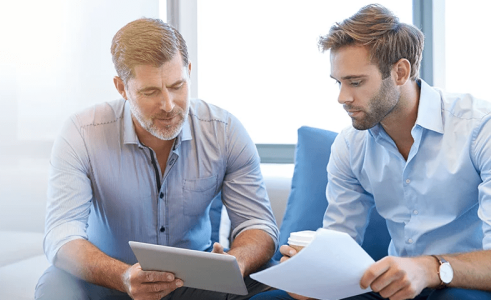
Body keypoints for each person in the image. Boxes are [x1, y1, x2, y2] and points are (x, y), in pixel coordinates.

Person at [251, 4, 491, 300]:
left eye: (355, 82)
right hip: (391, 287)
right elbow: (339, 243)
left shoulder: (480, 128)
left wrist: (429, 269)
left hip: (462, 283)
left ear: (400, 72)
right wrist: (312, 276)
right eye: (338, 82)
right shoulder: (350, 145)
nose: (342, 97)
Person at [35, 18, 279, 300]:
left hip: (197, 283)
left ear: (189, 72)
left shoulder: (224, 131)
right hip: (109, 279)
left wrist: (238, 261)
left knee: (276, 287)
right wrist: (123, 277)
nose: (168, 105)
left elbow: (258, 225)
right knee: (54, 286)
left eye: (177, 86)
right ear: (122, 88)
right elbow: (62, 236)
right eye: (150, 92)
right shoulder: (81, 133)